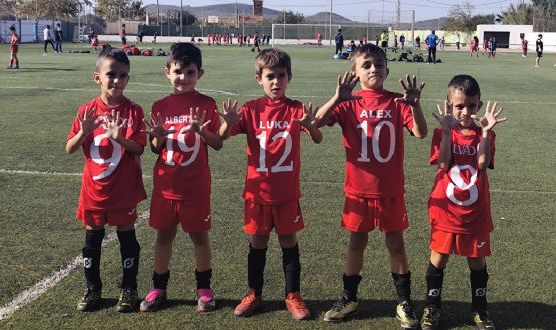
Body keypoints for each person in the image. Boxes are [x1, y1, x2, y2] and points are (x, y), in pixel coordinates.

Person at [314, 44, 428, 328]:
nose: (373, 69)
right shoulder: (349, 102)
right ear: (354, 72)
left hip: (389, 190)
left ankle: (404, 301)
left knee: (396, 244)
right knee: (356, 243)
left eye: (378, 64)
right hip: (358, 190)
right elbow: (316, 122)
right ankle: (349, 298)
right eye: (366, 65)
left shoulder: (397, 102)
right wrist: (337, 97)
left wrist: (415, 105)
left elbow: (420, 132)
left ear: (387, 70)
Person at [218, 49, 322, 320]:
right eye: (270, 77)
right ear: (259, 79)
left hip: (286, 193)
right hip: (257, 192)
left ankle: (293, 296)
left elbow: (318, 138)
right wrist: (227, 123)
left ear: (290, 77)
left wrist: (311, 126)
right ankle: (254, 293)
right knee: (258, 241)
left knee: (289, 241)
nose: (276, 82)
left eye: (281, 76)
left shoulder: (296, 108)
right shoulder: (251, 109)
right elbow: (224, 136)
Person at [140, 43, 227, 313]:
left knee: (199, 238)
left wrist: (202, 130)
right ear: (167, 71)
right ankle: (158, 287)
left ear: (199, 73)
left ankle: (204, 288)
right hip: (166, 186)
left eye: (190, 72)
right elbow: (155, 148)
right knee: (164, 237)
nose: (183, 78)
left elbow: (217, 144)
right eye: (178, 72)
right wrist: (157, 135)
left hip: (195, 187)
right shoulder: (160, 106)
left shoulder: (206, 104)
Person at [421, 74, 506, 330]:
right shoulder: (441, 132)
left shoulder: (485, 135)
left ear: (479, 106)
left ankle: (480, 310)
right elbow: (444, 163)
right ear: (449, 105)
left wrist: (485, 133)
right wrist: (447, 131)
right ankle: (432, 308)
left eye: (471, 106)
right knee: (439, 258)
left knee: (477, 262)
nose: (465, 112)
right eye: (459, 106)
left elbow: (481, 164)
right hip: (447, 212)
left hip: (475, 212)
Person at [66, 48, 147, 313]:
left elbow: (138, 148)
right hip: (93, 191)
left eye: (123, 75)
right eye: (111, 74)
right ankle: (93, 288)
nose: (117, 80)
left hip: (123, 190)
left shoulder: (133, 111)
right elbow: (70, 148)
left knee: (127, 237)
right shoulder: (86, 110)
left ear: (128, 79)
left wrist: (119, 137)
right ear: (97, 77)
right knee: (92, 239)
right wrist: (83, 132)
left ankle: (129, 288)